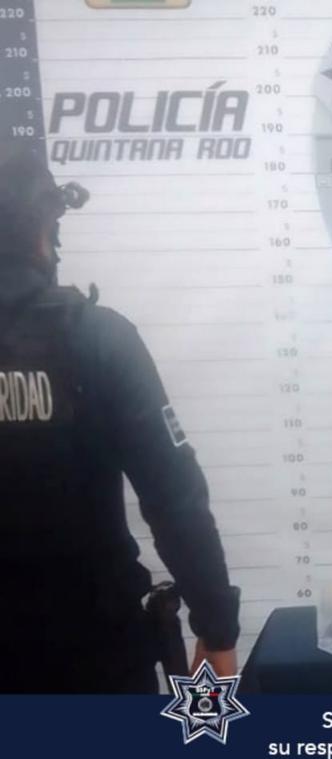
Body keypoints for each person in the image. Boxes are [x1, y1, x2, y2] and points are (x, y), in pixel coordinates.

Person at [0, 142, 239, 692]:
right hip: (94, 657)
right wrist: (217, 628)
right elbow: (174, 498)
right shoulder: (98, 337)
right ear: (44, 229)